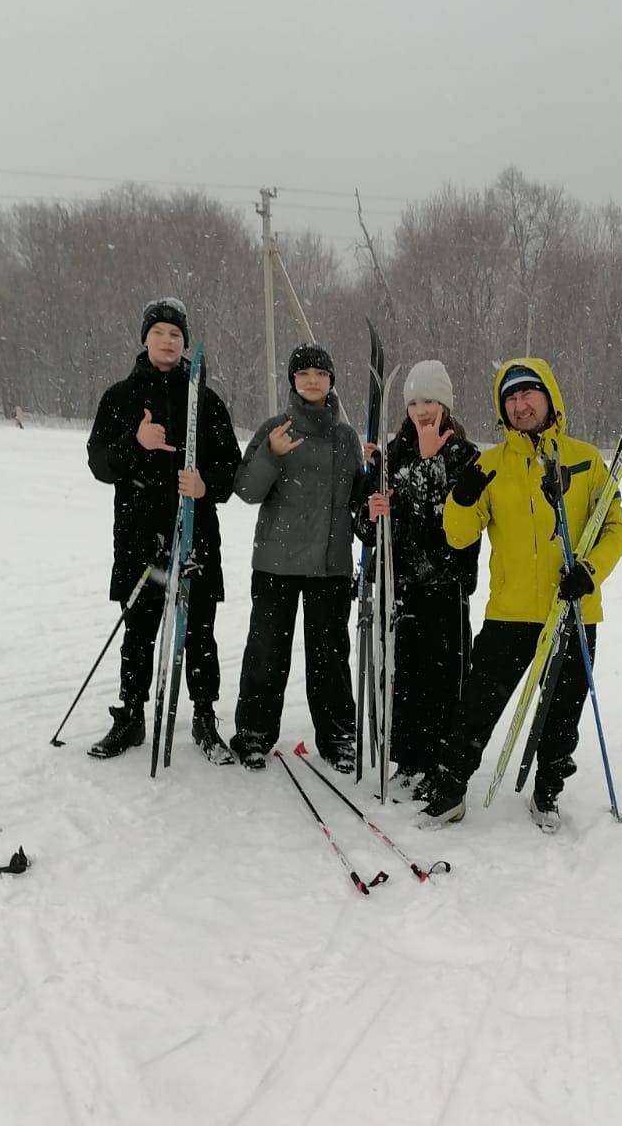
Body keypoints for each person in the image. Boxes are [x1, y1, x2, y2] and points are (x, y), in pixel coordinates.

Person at [415, 356, 622, 830]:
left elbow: (616, 528)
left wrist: (590, 571)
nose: (520, 404)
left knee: (562, 712)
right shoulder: (489, 466)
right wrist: (463, 496)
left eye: (529, 392)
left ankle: (547, 792)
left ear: (549, 396)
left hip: (572, 610)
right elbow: (458, 536)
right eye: (510, 397)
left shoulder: (587, 460)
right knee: (476, 708)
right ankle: (451, 790)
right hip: (509, 612)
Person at [85, 297, 242, 762]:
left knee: (199, 631)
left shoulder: (206, 400)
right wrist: (137, 443)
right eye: (160, 333)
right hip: (138, 532)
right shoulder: (120, 397)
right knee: (139, 629)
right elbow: (99, 463)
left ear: (184, 343)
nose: (168, 341)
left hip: (194, 533)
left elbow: (230, 467)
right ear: (145, 339)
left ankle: (204, 719)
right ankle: (131, 717)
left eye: (176, 334)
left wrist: (205, 484)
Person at [230, 343, 365, 772]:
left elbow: (355, 500)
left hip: (330, 565)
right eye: (303, 373)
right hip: (277, 563)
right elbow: (247, 490)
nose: (312, 380)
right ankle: (253, 733)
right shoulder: (276, 428)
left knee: (330, 657)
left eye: (320, 374)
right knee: (267, 652)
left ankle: (339, 736)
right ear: (292, 380)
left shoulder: (346, 438)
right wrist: (271, 454)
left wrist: (373, 478)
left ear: (331, 382)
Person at [359, 359, 480, 792]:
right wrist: (371, 514)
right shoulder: (392, 454)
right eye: (412, 401)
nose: (421, 409)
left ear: (445, 402)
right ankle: (408, 758)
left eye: (429, 399)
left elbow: (451, 525)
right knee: (404, 676)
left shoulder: (465, 456)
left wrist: (431, 464)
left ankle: (439, 763)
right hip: (402, 584)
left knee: (443, 678)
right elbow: (367, 524)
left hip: (445, 586)